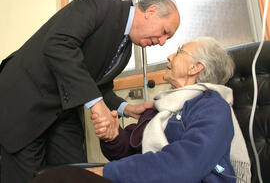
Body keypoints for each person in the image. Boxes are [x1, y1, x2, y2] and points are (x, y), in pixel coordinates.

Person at [0, 0, 180, 183]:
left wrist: (126, 108)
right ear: (151, 11)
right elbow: (59, 44)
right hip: (26, 101)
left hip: (63, 112)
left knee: (75, 174)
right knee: (25, 176)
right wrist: (96, 105)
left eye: (167, 39)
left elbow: (98, 87)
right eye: (164, 32)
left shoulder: (125, 50)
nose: (162, 43)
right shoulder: (99, 3)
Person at [30, 37, 251, 183]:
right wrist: (113, 136)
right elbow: (128, 152)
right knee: (54, 177)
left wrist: (106, 172)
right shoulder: (160, 107)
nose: (170, 56)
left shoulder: (212, 106)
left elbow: (185, 165)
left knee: (60, 178)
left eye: (179, 51)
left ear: (195, 68)